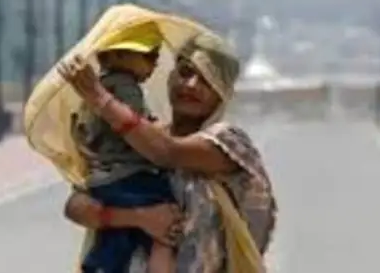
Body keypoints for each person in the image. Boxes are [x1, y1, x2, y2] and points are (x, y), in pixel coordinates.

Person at [58, 32, 277, 273]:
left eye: (206, 80)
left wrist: (100, 97)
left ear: (221, 93)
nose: (191, 85)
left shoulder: (228, 143)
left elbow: (166, 153)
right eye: (185, 72)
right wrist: (139, 217)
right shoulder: (139, 139)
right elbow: (77, 206)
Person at [71, 21, 177, 273]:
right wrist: (157, 130)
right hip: (127, 174)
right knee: (166, 211)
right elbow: (136, 126)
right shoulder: (124, 87)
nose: (154, 64)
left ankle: (101, 264)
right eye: (149, 57)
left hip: (104, 177)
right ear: (119, 55)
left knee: (122, 233)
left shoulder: (99, 87)